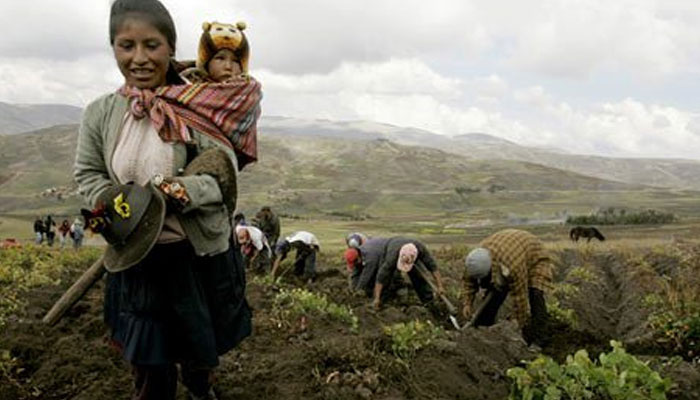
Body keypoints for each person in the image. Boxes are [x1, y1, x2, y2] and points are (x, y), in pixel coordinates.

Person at [73, 1, 261, 398]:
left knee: (197, 352)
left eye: (151, 45)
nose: (139, 58)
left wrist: (173, 193)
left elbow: (219, 179)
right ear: (113, 48)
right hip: (136, 260)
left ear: (170, 48)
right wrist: (119, 204)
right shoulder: (100, 113)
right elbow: (87, 175)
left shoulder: (199, 103)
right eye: (126, 46)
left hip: (193, 256)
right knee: (150, 369)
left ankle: (199, 386)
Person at [462, 229, 553, 347]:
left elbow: (520, 298)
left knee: (535, 294)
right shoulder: (475, 261)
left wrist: (518, 326)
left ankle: (540, 339)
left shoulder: (512, 267)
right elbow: (468, 281)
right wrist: (467, 303)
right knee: (495, 291)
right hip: (508, 251)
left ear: (491, 269)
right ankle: (485, 328)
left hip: (534, 256)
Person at [358, 237, 445, 310]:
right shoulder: (391, 258)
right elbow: (381, 277)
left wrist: (440, 286)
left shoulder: (421, 249)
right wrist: (377, 298)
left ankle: (429, 304)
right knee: (389, 277)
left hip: (410, 251)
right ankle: (383, 300)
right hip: (391, 246)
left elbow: (433, 268)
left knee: (419, 278)